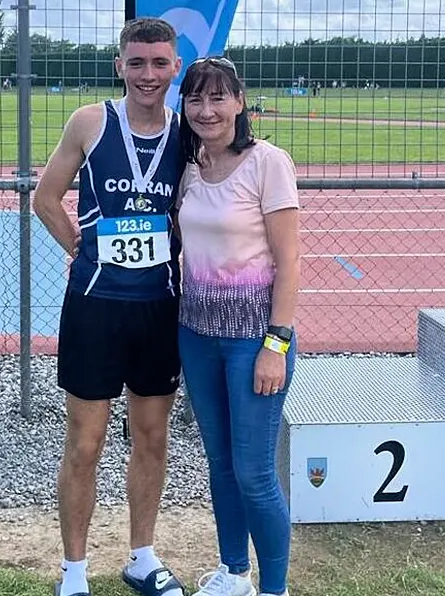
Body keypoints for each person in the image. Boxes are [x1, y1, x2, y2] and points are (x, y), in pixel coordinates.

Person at [33, 17, 186, 596]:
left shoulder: (186, 134)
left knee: (151, 436)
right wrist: (83, 248)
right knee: (86, 440)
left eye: (160, 62)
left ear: (175, 67)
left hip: (158, 309)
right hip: (95, 306)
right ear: (120, 66)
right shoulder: (91, 122)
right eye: (137, 62)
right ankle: (74, 571)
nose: (149, 74)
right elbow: (46, 199)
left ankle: (141, 557)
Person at [175, 56, 300, 596]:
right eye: (196, 98)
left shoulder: (268, 162)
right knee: (221, 465)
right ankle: (233, 574)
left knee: (254, 473)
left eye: (218, 97)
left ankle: (274, 589)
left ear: (240, 101)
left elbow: (290, 263)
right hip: (196, 335)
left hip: (254, 340)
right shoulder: (187, 165)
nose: (206, 110)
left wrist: (276, 344)